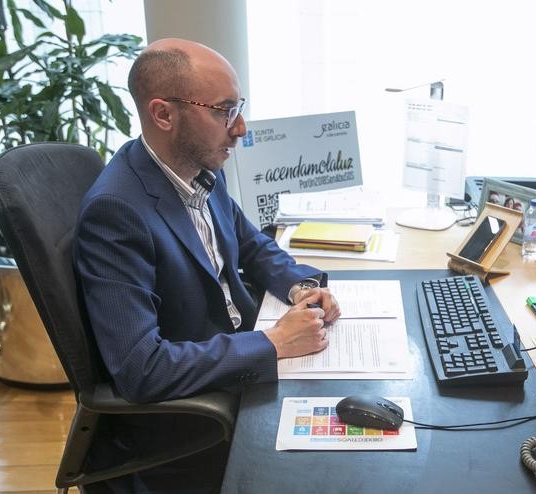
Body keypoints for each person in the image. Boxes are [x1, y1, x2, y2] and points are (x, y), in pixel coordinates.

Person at [74, 38, 341, 492]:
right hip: (195, 418)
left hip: (236, 363)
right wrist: (272, 343)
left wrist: (299, 285)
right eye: (224, 111)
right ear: (163, 114)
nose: (240, 128)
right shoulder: (116, 212)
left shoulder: (195, 167)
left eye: (238, 107)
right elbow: (142, 369)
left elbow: (251, 245)